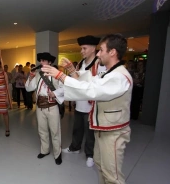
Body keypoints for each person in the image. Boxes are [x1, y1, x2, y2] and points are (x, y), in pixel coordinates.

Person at [41, 34, 132, 184]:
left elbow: (92, 89)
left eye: (101, 50)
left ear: (112, 52)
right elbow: (88, 79)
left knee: (112, 176)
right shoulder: (109, 73)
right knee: (101, 166)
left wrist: (62, 77)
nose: (98, 53)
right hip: (103, 129)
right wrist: (71, 72)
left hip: (113, 132)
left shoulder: (120, 76)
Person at [62, 35, 106, 168]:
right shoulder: (81, 63)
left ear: (93, 49)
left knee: (90, 131)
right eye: (81, 48)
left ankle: (90, 154)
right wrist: (71, 72)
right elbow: (77, 80)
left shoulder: (100, 64)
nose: (82, 51)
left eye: (84, 48)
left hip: (91, 104)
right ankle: (75, 147)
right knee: (77, 127)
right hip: (80, 102)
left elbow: (98, 84)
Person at [25, 52, 64, 165]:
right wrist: (30, 77)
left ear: (50, 62)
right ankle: (45, 150)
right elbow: (28, 88)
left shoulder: (57, 74)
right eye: (40, 60)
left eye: (43, 60)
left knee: (55, 131)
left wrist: (55, 93)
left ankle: (57, 154)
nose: (41, 63)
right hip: (40, 107)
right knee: (42, 131)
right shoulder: (38, 74)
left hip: (52, 107)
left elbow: (65, 88)